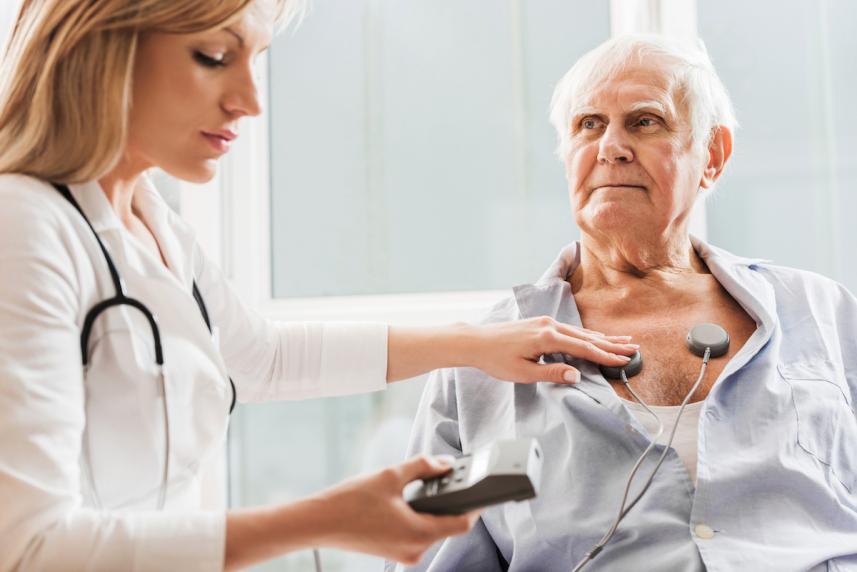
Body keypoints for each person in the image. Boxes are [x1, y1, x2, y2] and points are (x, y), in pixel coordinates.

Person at [0, 1, 642, 570]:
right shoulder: (22, 227)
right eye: (214, 56)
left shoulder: (148, 217)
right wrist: (326, 519)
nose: (250, 100)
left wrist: (476, 344)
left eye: (256, 61)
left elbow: (261, 358)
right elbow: (28, 550)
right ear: (103, 46)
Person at [390, 34, 857, 571]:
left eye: (644, 121)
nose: (611, 146)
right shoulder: (475, 371)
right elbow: (429, 559)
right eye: (589, 124)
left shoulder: (824, 314)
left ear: (713, 155)